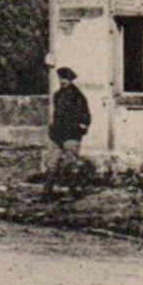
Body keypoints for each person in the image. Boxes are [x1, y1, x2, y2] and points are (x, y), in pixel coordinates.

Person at [45, 66, 92, 195]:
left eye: (66, 79)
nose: (63, 81)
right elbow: (55, 114)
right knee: (51, 163)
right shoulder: (57, 95)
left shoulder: (78, 96)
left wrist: (80, 129)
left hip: (71, 134)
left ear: (71, 80)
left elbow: (86, 115)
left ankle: (73, 192)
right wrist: (52, 128)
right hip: (57, 134)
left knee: (70, 164)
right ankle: (47, 192)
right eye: (61, 78)